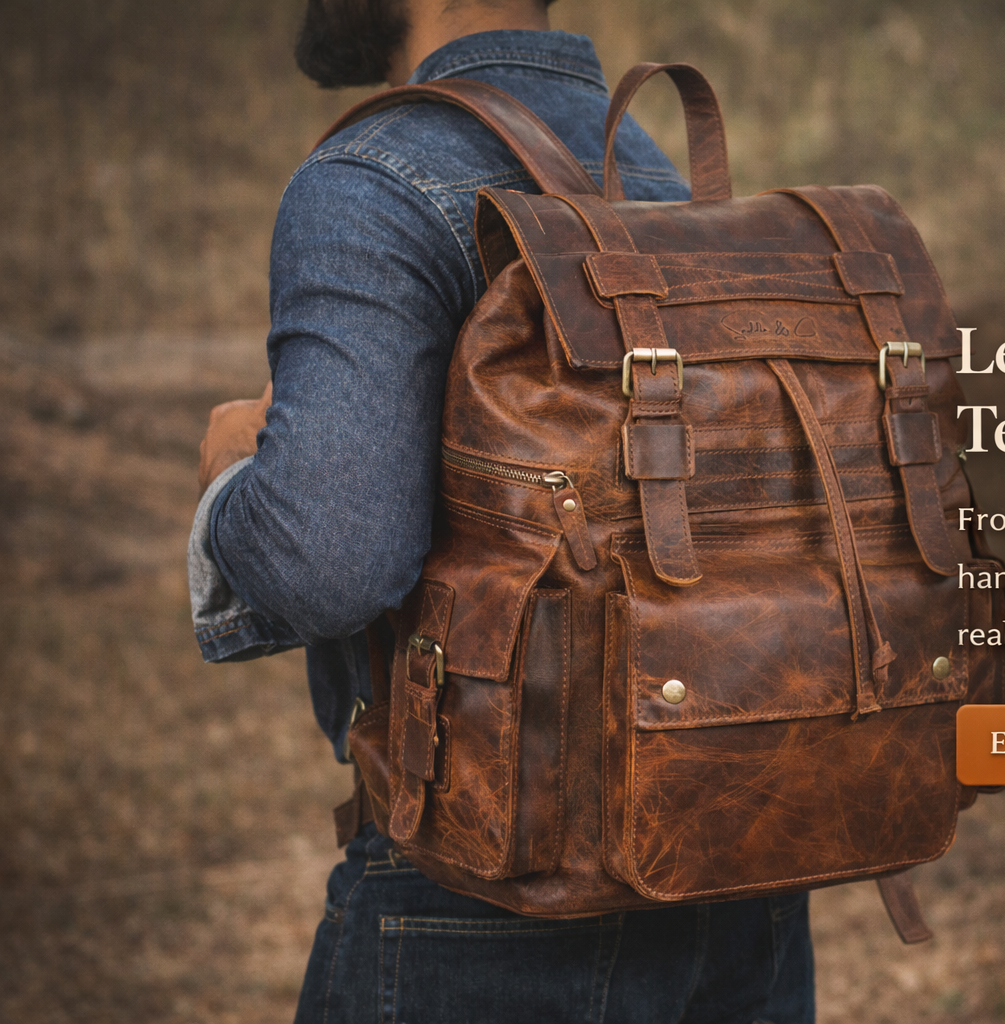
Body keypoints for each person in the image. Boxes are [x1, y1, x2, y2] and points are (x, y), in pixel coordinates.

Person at [189, 1, 815, 1020]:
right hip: (737, 874)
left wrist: (228, 481)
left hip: (492, 901)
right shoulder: (647, 168)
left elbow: (328, 559)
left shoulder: (374, 179)